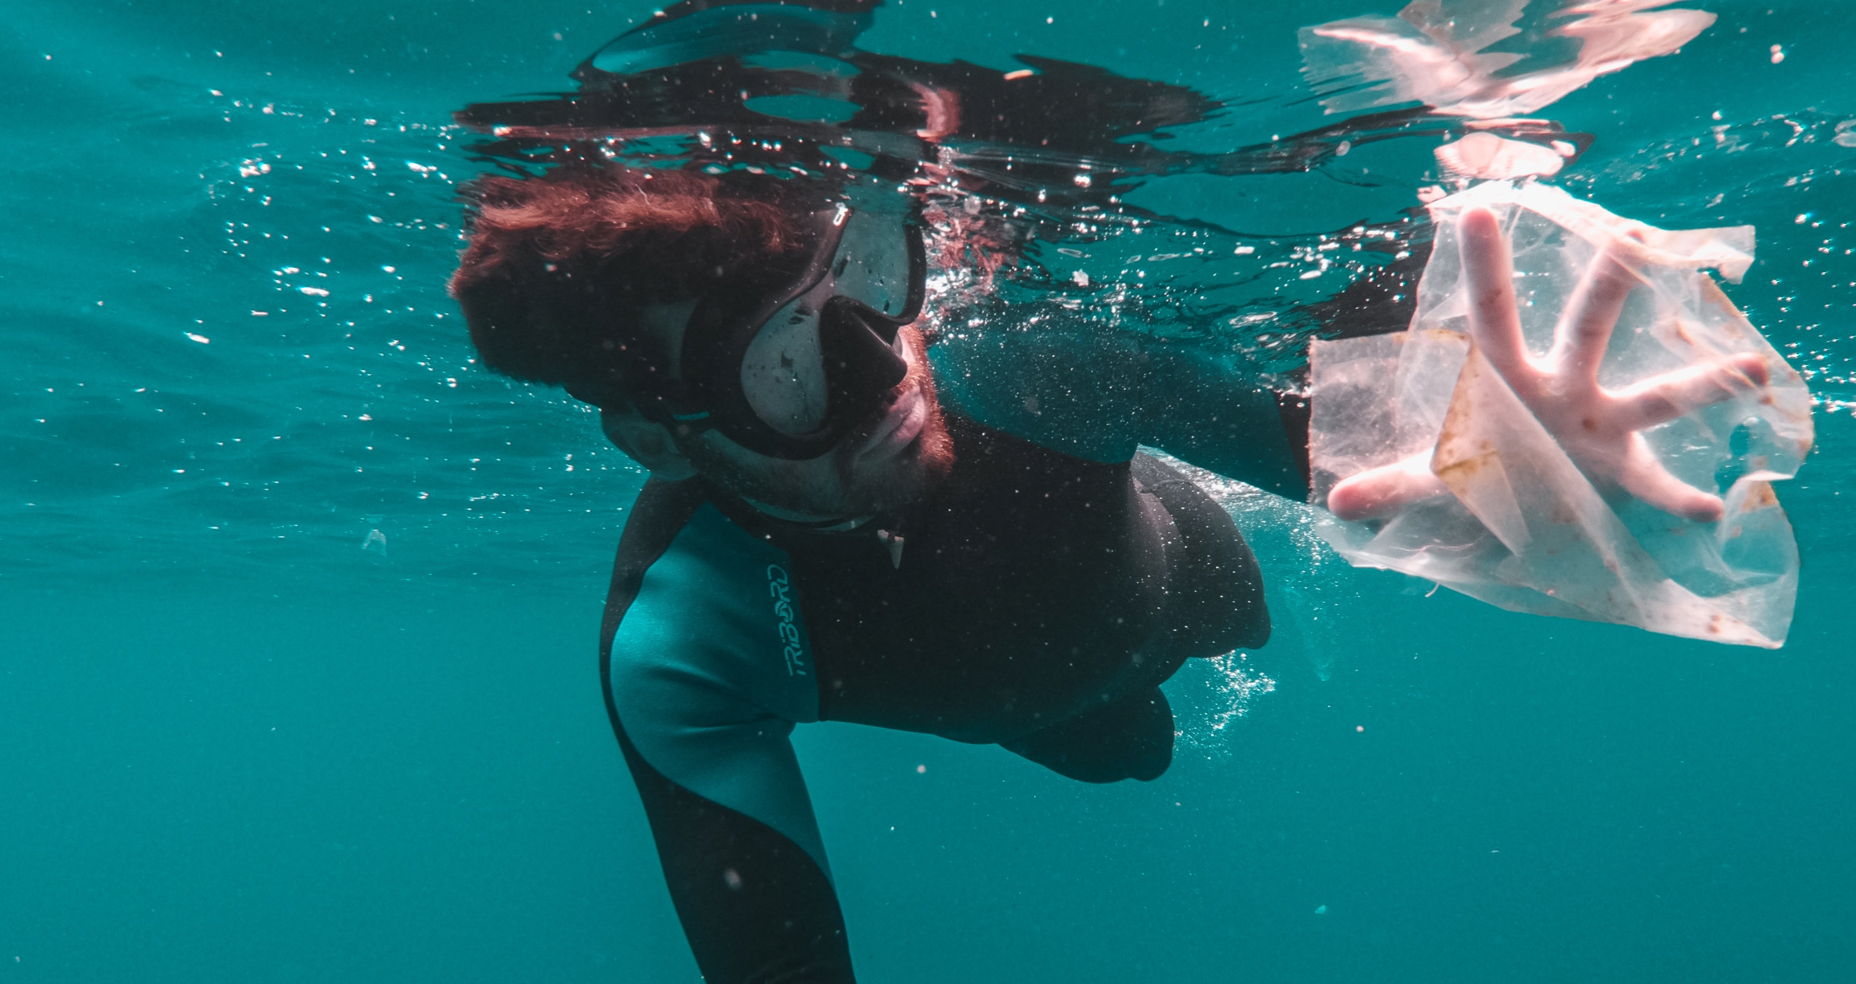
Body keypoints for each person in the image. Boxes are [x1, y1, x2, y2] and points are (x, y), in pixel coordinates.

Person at [447, 164, 1768, 984]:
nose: (888, 364)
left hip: (1189, 585)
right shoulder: (680, 637)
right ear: (654, 433)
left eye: (863, 281)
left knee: (1207, 633)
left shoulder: (1026, 370)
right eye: (785, 367)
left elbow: (1347, 451)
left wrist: (1515, 453)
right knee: (1128, 751)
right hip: (1052, 707)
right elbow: (781, 966)